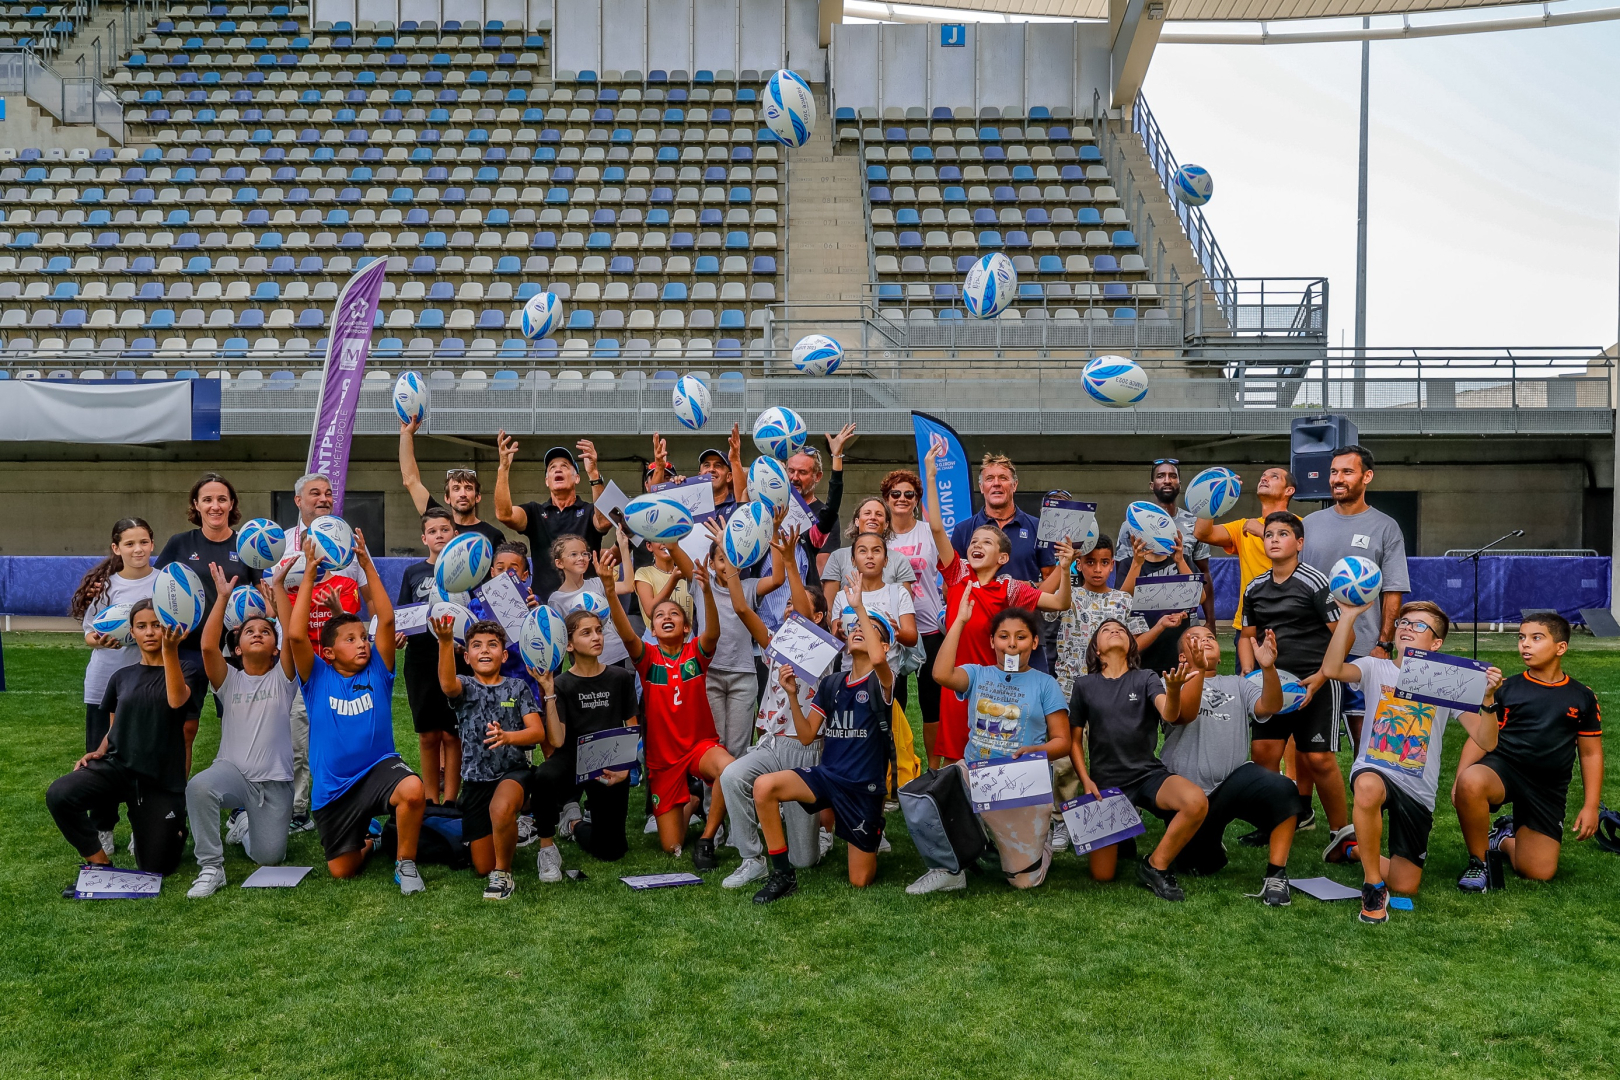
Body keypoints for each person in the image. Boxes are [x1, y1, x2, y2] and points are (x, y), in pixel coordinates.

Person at [1320, 599, 1501, 924]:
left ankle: (1352, 846)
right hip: (1374, 769)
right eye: (1403, 622)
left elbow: (1487, 741)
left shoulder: (1448, 680)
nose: (1406, 628)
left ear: (1436, 642)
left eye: (1418, 625)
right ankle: (1372, 886)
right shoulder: (1377, 668)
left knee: (1406, 883)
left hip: (1418, 789)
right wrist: (1347, 616)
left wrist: (1487, 700)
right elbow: (1332, 669)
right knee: (1367, 787)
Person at [280, 531, 428, 893]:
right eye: (351, 640)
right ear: (328, 653)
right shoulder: (316, 676)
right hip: (335, 790)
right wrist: (309, 577)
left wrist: (366, 564)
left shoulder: (378, 669)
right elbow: (297, 636)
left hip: (378, 769)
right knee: (342, 871)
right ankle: (372, 838)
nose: (362, 643)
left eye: (363, 637)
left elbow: (388, 622)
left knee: (412, 789)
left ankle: (405, 864)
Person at [908, 600, 1071, 894]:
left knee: (1023, 881)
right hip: (976, 773)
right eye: (1003, 636)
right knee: (933, 791)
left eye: (1021, 636)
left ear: (1034, 642)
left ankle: (1040, 845)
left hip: (1020, 783)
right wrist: (959, 621)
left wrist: (1038, 752)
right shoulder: (978, 674)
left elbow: (1063, 742)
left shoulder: (1045, 684)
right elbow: (940, 674)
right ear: (992, 641)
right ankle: (949, 868)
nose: (1012, 644)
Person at [923, 444, 1072, 765]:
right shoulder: (957, 574)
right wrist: (931, 477)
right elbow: (937, 528)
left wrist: (1065, 566)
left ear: (1003, 558)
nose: (976, 544)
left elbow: (1059, 601)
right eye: (974, 541)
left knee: (997, 751)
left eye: (986, 542)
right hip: (956, 679)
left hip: (995, 684)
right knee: (955, 758)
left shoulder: (1010, 589)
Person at [749, 595, 896, 903]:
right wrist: (791, 695)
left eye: (868, 629)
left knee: (859, 881)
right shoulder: (832, 684)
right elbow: (805, 736)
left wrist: (858, 607)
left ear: (883, 646)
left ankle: (874, 829)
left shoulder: (882, 680)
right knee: (764, 787)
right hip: (828, 777)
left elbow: (880, 662)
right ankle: (782, 874)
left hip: (862, 788)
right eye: (854, 627)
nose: (858, 629)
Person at [597, 549, 735, 869]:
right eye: (659, 616)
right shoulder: (646, 658)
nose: (667, 617)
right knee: (671, 846)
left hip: (700, 746)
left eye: (674, 614)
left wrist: (707, 592)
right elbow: (624, 631)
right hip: (663, 758)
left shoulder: (695, 653)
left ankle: (707, 839)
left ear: (686, 628)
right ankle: (693, 802)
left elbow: (713, 632)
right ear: (653, 631)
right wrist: (608, 589)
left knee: (729, 770)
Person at [1452, 613, 1602, 888]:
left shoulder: (1582, 697)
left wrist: (1591, 805)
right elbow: (1479, 738)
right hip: (1504, 768)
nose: (1525, 644)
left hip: (1547, 787)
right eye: (1521, 638)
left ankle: (1502, 840)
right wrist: (1460, 778)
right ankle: (1479, 863)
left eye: (1536, 638)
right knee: (1472, 782)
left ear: (1561, 648)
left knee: (1537, 871)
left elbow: (1591, 753)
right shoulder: (1507, 689)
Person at [717, 530, 830, 887]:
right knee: (733, 775)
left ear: (819, 618)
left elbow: (804, 619)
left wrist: (793, 564)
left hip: (804, 749)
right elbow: (740, 608)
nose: (789, 611)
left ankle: (819, 838)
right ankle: (753, 858)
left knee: (804, 860)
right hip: (770, 742)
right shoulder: (775, 645)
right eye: (786, 607)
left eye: (797, 608)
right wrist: (731, 560)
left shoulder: (823, 651)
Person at [46, 601, 191, 877]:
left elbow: (176, 701)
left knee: (157, 868)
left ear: (168, 629)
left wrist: (169, 651)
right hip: (118, 768)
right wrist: (98, 751)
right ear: (132, 633)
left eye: (156, 625)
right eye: (141, 626)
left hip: (158, 780)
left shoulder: (185, 670)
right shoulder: (121, 676)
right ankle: (99, 862)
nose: (149, 632)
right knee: (60, 794)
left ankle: (168, 826)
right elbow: (114, 726)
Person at [1240, 511, 1354, 860]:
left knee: (1317, 757)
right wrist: (1251, 675)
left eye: (1283, 534)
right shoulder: (1255, 587)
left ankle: (1342, 832)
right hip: (1274, 684)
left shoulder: (1317, 583)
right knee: (1264, 755)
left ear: (1299, 543)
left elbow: (1344, 638)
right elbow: (1247, 636)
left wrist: (1322, 678)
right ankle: (1271, 820)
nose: (1273, 539)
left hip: (1315, 680)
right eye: (1269, 534)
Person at [1163, 624, 1299, 906]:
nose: (1205, 641)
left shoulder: (1237, 684)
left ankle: (1276, 875)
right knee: (1199, 866)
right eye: (1194, 639)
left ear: (1221, 656)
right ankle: (1208, 842)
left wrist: (1268, 668)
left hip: (1232, 784)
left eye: (1210, 637)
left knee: (1284, 789)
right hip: (1186, 797)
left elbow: (1269, 706)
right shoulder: (1171, 684)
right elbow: (1175, 715)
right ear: (1181, 657)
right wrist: (1194, 671)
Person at [184, 564, 297, 898]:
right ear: (237, 648)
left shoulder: (284, 679)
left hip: (274, 784)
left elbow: (292, 636)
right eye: (250, 632)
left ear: (276, 648)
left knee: (270, 858)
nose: (258, 633)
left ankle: (244, 825)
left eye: (266, 630)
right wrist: (221, 598)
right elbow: (207, 648)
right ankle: (211, 866)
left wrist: (277, 588)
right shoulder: (229, 680)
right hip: (232, 773)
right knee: (199, 787)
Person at [1067, 619, 1198, 901]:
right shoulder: (1084, 685)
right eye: (1106, 630)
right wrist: (1086, 780)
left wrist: (1173, 690)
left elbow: (1170, 714)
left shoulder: (1147, 677)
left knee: (1196, 802)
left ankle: (1155, 865)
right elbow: (1073, 741)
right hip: (1106, 786)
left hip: (1147, 775)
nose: (1115, 631)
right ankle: (1123, 837)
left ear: (1131, 646)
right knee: (1102, 876)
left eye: (1122, 630)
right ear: (1096, 650)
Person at [1300, 445, 1410, 748]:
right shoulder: (1310, 525)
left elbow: (1394, 589)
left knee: (1367, 736)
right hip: (1312, 646)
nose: (1337, 478)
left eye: (1347, 472)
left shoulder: (1385, 527)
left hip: (1362, 650)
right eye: (1334, 472)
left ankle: (1368, 792)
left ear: (1367, 476)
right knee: (1309, 739)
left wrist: (1384, 643)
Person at [273, 472, 365, 833]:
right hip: (300, 658)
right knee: (299, 736)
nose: (324, 498)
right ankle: (298, 809)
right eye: (315, 493)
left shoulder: (348, 541)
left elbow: (363, 601)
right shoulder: (281, 543)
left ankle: (350, 801)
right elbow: (274, 597)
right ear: (298, 501)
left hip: (339, 662)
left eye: (328, 492)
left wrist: (343, 613)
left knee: (345, 733)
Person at [434, 616, 546, 900]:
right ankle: (505, 838)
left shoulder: (517, 687)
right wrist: (446, 642)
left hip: (513, 773)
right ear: (467, 656)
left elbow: (537, 732)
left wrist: (508, 737)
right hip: (475, 783)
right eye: (477, 646)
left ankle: (504, 875)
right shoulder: (464, 686)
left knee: (501, 808)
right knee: (482, 865)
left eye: (492, 645)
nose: (484, 650)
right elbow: (447, 684)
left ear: (504, 655)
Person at [155, 472, 260, 770]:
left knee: (241, 728)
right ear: (196, 505)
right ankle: (177, 796)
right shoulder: (179, 543)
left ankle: (242, 800)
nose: (215, 506)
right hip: (189, 650)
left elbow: (257, 598)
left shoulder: (246, 546)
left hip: (234, 652)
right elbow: (160, 588)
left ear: (232, 505)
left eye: (222, 499)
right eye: (208, 499)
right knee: (185, 727)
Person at [70, 517, 158, 857]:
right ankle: (103, 828)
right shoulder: (105, 586)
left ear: (152, 544)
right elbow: (90, 632)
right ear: (116, 548)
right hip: (103, 685)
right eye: (130, 543)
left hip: (148, 686)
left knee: (145, 758)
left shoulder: (163, 583)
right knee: (101, 759)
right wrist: (101, 640)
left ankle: (142, 825)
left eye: (143, 542)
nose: (137, 549)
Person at [532, 609, 639, 864]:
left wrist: (624, 768)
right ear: (569, 644)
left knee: (612, 851)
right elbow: (557, 741)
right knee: (544, 776)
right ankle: (546, 846)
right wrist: (549, 692)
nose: (596, 637)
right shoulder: (562, 683)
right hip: (571, 758)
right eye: (586, 632)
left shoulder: (620, 677)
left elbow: (631, 727)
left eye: (599, 631)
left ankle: (574, 825)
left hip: (607, 762)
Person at [688, 520, 787, 760]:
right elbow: (677, 554)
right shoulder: (702, 583)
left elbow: (777, 579)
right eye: (722, 558)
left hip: (742, 675)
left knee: (738, 749)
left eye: (734, 557)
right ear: (711, 563)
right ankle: (712, 799)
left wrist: (773, 531)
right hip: (709, 674)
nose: (728, 563)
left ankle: (736, 797)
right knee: (714, 746)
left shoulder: (749, 587)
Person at [1115, 460, 1213, 670]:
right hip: (1143, 635)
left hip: (1177, 636)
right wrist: (1137, 561)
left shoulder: (1184, 550)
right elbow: (1120, 598)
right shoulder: (1129, 535)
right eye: (1161, 476)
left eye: (1172, 475)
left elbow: (1201, 589)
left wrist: (1179, 560)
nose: (1167, 480)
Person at [395, 507, 462, 805]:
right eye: (433, 531)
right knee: (428, 734)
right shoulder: (414, 572)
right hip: (421, 660)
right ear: (424, 538)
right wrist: (400, 634)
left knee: (452, 734)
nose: (439, 535)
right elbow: (403, 615)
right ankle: (432, 800)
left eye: (444, 529)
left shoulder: (467, 571)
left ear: (455, 534)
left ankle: (451, 799)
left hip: (457, 659)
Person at [493, 432, 614, 598]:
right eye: (552, 467)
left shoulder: (589, 511)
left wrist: (593, 474)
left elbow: (604, 522)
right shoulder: (535, 512)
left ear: (577, 478)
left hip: (586, 606)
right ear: (547, 481)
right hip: (545, 607)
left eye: (565, 466)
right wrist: (503, 468)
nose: (558, 468)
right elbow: (504, 514)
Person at [1192, 466, 1296, 643]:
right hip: (1248, 625)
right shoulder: (1244, 526)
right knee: (1245, 672)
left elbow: (1295, 553)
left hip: (1287, 623)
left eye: (1274, 477)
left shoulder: (1300, 525)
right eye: (1263, 476)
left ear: (1289, 490)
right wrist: (1215, 494)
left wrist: (1264, 531)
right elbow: (1202, 533)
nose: (1264, 478)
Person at [881, 469, 946, 749]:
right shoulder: (878, 538)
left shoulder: (928, 533)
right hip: (890, 628)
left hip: (929, 625)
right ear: (886, 498)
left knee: (931, 702)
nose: (902, 498)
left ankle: (933, 769)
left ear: (917, 499)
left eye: (909, 494)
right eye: (895, 494)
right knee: (894, 701)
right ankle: (897, 767)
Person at [948, 452, 1055, 588]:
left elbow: (1051, 580)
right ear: (981, 487)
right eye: (989, 478)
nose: (996, 483)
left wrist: (1022, 589)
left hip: (1024, 609)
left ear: (1014, 485)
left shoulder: (1038, 527)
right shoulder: (963, 530)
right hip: (978, 609)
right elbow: (951, 585)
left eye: (1003, 478)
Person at [397, 417, 507, 547]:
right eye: (456, 488)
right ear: (447, 498)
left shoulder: (492, 535)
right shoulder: (437, 520)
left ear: (478, 497)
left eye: (468, 488)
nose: (463, 494)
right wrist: (406, 434)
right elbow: (411, 480)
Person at [545, 532, 637, 673]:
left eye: (584, 554)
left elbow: (628, 586)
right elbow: (560, 641)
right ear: (559, 563)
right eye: (574, 554)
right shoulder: (556, 600)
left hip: (618, 654)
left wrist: (624, 548)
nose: (581, 558)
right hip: (587, 664)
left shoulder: (597, 583)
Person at [829, 531, 919, 674]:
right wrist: (839, 635)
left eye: (876, 551)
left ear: (885, 560)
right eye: (862, 551)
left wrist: (898, 633)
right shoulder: (843, 596)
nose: (869, 556)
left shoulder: (899, 593)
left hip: (889, 675)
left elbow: (912, 638)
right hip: (850, 674)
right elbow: (836, 645)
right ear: (853, 560)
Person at [819, 497, 917, 615]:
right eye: (867, 513)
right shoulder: (837, 557)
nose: (873, 517)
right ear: (857, 521)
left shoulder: (899, 560)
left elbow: (905, 610)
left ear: (886, 524)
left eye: (879, 514)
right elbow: (829, 609)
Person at [787, 425, 856, 582]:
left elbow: (822, 567)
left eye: (802, 472)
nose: (794, 478)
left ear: (817, 477)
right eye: (791, 471)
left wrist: (837, 456)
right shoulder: (774, 508)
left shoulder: (822, 515)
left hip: (805, 595)